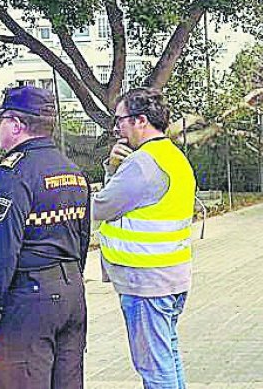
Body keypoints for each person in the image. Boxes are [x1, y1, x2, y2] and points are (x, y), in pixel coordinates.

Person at [0, 86, 90, 389]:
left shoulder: (13, 174)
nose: (0, 128)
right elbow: (82, 238)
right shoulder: (72, 170)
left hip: (27, 299)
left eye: (2, 120)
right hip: (71, 291)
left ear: (17, 125)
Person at [94, 88, 195, 389]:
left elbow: (101, 206)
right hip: (171, 277)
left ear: (140, 121)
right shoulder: (172, 157)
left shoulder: (142, 164)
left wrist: (112, 168)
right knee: (168, 356)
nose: (117, 129)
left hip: (145, 282)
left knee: (154, 367)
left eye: (120, 121)